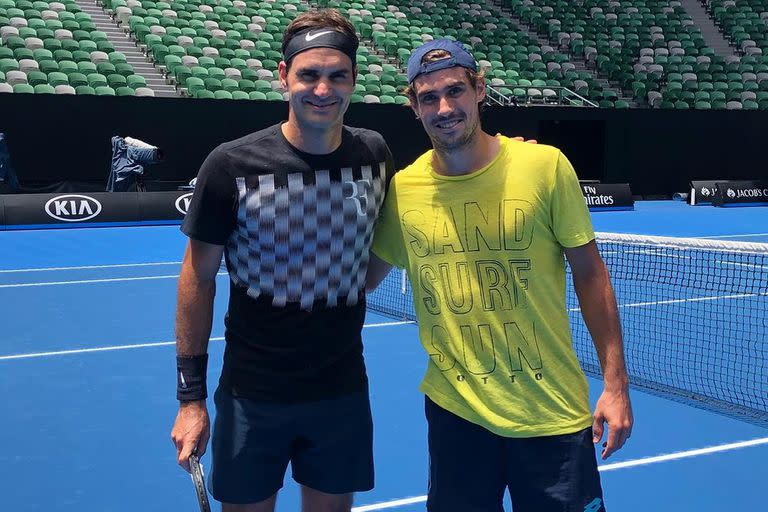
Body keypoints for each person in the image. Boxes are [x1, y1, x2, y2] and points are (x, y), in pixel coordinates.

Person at [365, 39, 634, 512]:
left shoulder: (545, 166)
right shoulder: (403, 190)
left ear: (480, 89)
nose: (444, 108)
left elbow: (591, 275)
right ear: (413, 105)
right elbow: (362, 280)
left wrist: (615, 387)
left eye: (455, 91)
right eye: (429, 97)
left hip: (551, 414)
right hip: (456, 416)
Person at [170, 10, 395, 512]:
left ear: (354, 80)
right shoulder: (230, 165)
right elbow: (197, 279)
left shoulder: (375, 154)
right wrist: (190, 400)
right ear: (283, 75)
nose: (323, 89)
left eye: (337, 75)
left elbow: (380, 248)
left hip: (341, 390)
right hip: (253, 394)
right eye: (309, 74)